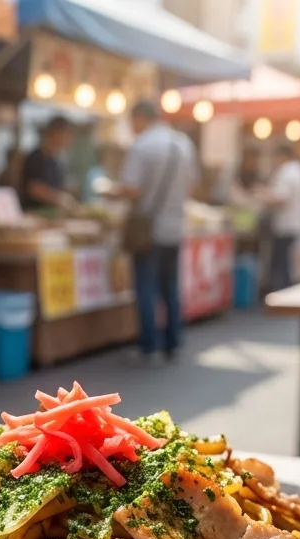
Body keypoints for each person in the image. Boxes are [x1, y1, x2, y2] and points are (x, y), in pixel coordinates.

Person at [116, 99, 198, 361]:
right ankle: (173, 341)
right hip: (176, 226)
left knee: (145, 286)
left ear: (140, 117)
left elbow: (131, 188)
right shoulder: (184, 144)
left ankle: (148, 345)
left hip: (148, 228)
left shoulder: (142, 146)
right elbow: (192, 186)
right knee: (170, 285)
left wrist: (114, 192)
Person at [264, 142, 300, 291]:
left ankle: (281, 290)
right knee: (286, 261)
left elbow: (281, 199)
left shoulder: (286, 171)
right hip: (295, 223)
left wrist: (262, 198)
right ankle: (285, 289)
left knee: (281, 262)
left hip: (285, 224)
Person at [20, 116, 74, 211]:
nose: (68, 140)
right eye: (65, 135)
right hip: (35, 212)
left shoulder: (55, 161)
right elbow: (34, 189)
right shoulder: (36, 157)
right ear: (54, 134)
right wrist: (58, 198)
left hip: (52, 212)